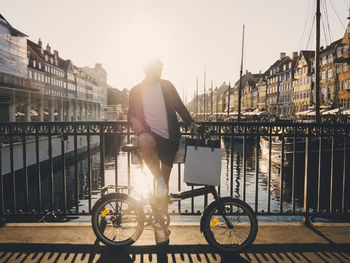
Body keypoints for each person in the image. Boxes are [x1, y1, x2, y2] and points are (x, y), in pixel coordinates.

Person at [127, 58, 198, 245]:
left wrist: (191, 122)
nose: (160, 71)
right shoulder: (136, 90)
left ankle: (160, 225)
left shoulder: (166, 86)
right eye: (157, 68)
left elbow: (180, 106)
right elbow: (130, 114)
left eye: (161, 68)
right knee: (145, 141)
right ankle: (159, 222)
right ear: (148, 70)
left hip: (169, 138)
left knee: (162, 187)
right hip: (149, 135)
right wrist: (134, 121)